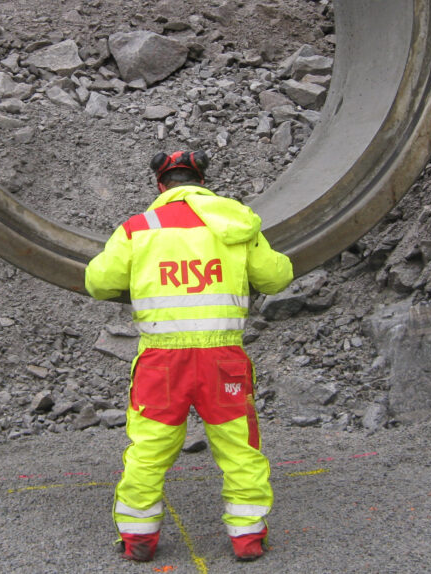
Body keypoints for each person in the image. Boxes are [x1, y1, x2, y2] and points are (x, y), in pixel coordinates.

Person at [85, 150, 294, 562]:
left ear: (161, 186)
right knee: (239, 450)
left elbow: (98, 281)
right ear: (202, 181)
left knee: (148, 450)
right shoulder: (236, 223)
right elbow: (276, 276)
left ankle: (139, 538)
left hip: (162, 362)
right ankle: (248, 538)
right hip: (223, 359)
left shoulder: (139, 228)